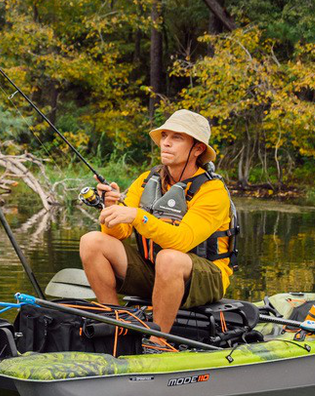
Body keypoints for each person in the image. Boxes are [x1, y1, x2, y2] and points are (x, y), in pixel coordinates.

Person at [78, 109, 234, 352]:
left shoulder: (213, 192)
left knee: (169, 258)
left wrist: (138, 216)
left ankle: (157, 342)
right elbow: (119, 234)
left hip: (206, 278)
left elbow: (182, 241)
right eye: (164, 136)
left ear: (197, 149)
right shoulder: (146, 180)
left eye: (177, 137)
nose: (166, 142)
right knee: (92, 241)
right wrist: (111, 210)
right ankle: (115, 326)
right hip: (155, 269)